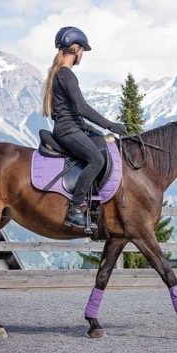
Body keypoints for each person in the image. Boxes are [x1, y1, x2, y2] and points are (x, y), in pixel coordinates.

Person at [42, 26, 126, 229]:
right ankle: (75, 209)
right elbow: (81, 108)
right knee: (96, 159)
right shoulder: (66, 74)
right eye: (82, 51)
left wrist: (96, 132)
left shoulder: (60, 73)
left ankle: (96, 206)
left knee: (101, 145)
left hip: (73, 127)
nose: (82, 56)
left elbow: (75, 111)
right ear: (76, 49)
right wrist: (111, 125)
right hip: (67, 130)